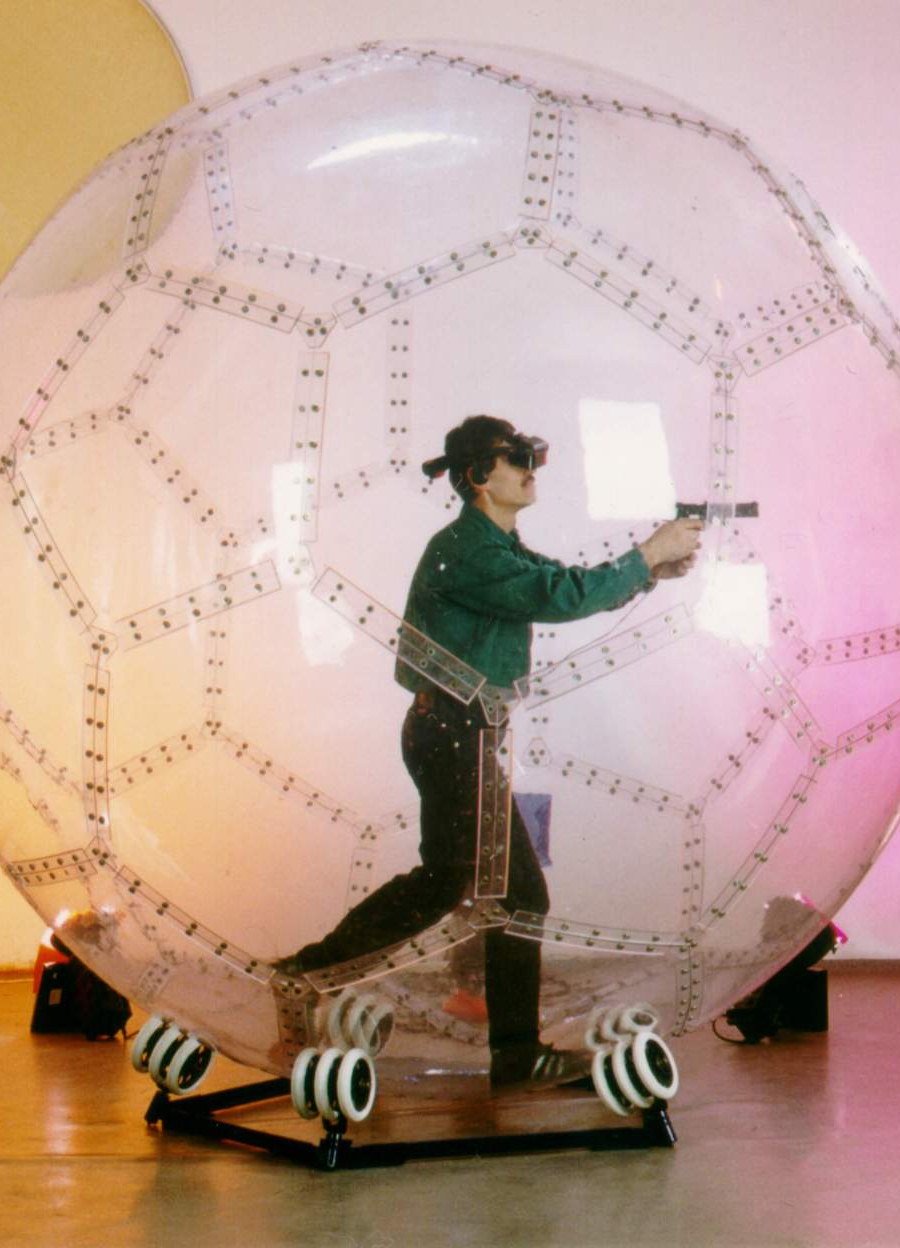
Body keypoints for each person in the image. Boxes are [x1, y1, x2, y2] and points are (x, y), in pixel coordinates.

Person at [278, 415, 702, 1086]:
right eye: (517, 457)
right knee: (518, 895)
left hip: (458, 734)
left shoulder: (494, 546)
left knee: (445, 884)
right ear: (479, 475)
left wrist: (648, 571)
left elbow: (562, 581)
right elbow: (557, 595)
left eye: (533, 455)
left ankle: (305, 975)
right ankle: (514, 1053)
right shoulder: (468, 552)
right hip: (454, 734)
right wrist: (646, 555)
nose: (531, 468)